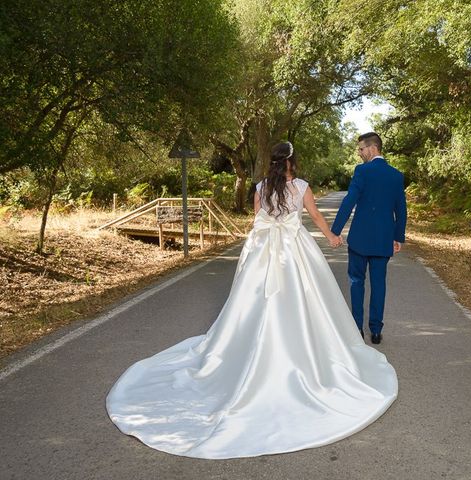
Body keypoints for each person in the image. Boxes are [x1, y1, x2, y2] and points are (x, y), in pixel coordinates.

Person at [106, 141, 398, 459]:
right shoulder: (301, 186)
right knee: (304, 303)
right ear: (291, 162)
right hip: (294, 253)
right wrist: (331, 237)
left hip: (265, 253)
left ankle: (252, 352)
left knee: (255, 304)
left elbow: (257, 223)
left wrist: (253, 252)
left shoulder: (260, 186)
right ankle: (303, 354)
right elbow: (314, 215)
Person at [331, 132, 407, 345]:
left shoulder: (362, 171)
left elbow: (349, 201)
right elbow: (401, 209)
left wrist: (335, 230)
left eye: (361, 149)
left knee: (356, 282)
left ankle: (357, 329)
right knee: (379, 284)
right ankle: (376, 331)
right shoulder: (396, 175)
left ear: (372, 149)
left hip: (360, 239)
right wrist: (398, 236)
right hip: (384, 239)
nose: (360, 153)